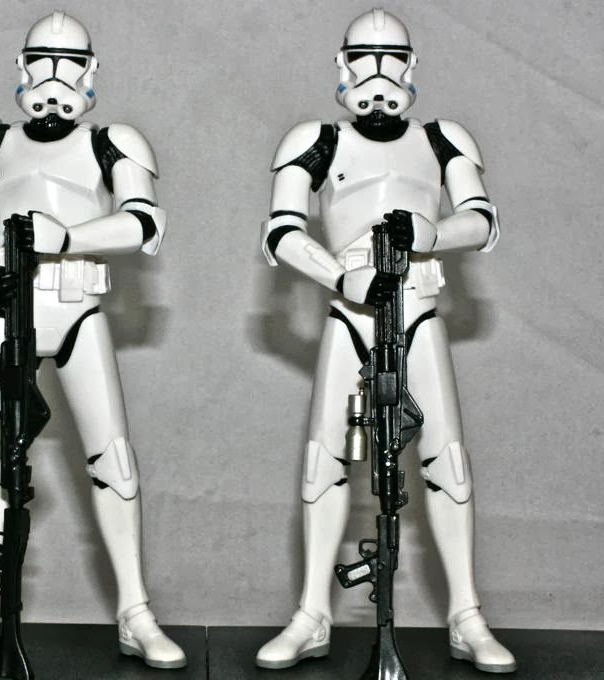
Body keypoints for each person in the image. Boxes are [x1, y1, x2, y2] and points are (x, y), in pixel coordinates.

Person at [0, 11, 185, 671]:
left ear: (91, 71)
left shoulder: (112, 142)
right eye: (42, 62)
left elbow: (143, 223)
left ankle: (134, 610)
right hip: (11, 308)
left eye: (70, 65)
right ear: (22, 66)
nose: (55, 79)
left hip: (79, 308)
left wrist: (66, 238)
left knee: (112, 460)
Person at [255, 8, 515, 674]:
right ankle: (313, 613)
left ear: (411, 65)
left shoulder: (441, 139)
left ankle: (465, 615)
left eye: (390, 58)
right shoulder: (318, 140)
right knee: (325, 460)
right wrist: (340, 275)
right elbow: (281, 231)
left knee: (445, 460)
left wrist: (432, 235)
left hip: (419, 306)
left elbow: (481, 220)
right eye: (363, 59)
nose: (377, 74)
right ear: (342, 66)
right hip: (351, 308)